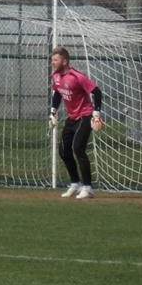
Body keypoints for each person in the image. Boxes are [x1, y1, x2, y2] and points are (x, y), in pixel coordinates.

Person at [50, 47, 104, 200]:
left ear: (65, 61)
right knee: (63, 151)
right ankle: (75, 183)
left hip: (85, 116)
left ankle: (88, 188)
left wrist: (96, 114)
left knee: (78, 148)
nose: (53, 62)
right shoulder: (56, 76)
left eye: (56, 60)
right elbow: (57, 93)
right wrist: (53, 112)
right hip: (72, 117)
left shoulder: (77, 76)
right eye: (52, 60)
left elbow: (97, 91)